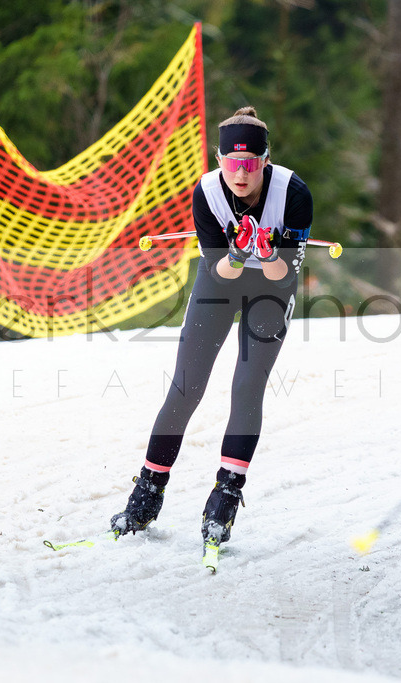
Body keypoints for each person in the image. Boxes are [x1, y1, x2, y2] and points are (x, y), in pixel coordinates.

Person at [110, 106, 312, 547]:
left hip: (272, 291)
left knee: (246, 386)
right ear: (219, 160)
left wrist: (269, 252)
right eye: (232, 163)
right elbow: (221, 273)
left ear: (265, 161)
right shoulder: (207, 193)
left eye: (251, 164)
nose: (241, 174)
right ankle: (148, 490)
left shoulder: (292, 192)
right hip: (222, 279)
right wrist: (240, 254)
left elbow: (285, 274)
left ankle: (225, 494)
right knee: (186, 386)